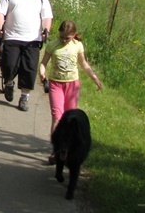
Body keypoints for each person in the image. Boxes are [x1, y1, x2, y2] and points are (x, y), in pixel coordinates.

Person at [40, 20, 103, 155]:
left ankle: (67, 146)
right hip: (56, 83)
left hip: (72, 84)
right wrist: (42, 72)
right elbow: (43, 63)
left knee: (70, 118)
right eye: (61, 37)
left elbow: (84, 64)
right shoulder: (52, 45)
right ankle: (56, 149)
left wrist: (95, 78)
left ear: (74, 35)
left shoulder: (77, 46)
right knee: (57, 116)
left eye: (67, 38)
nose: (63, 40)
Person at [0, 0, 53, 112]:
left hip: (32, 39)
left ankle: (24, 97)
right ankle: (8, 83)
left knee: (29, 69)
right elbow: (0, 12)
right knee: (8, 65)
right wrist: (0, 28)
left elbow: (47, 16)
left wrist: (46, 30)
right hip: (11, 37)